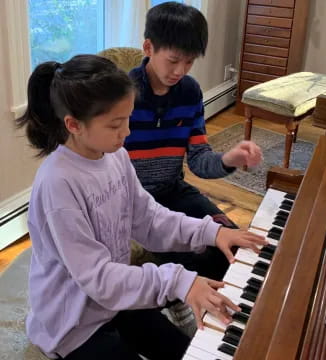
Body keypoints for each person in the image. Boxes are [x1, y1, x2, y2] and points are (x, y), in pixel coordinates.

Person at [17, 54, 266, 360]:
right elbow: (99, 278)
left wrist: (211, 232)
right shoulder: (58, 184)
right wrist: (178, 280)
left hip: (112, 303)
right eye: (115, 125)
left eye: (128, 120)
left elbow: (148, 219)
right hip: (72, 323)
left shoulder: (115, 156)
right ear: (73, 125)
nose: (127, 133)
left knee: (185, 352)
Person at [126, 2, 263, 281]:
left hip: (174, 190)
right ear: (148, 48)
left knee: (240, 247)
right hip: (134, 203)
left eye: (189, 62)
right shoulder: (123, 94)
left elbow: (199, 160)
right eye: (173, 60)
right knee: (204, 259)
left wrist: (228, 159)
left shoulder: (189, 92)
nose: (180, 70)